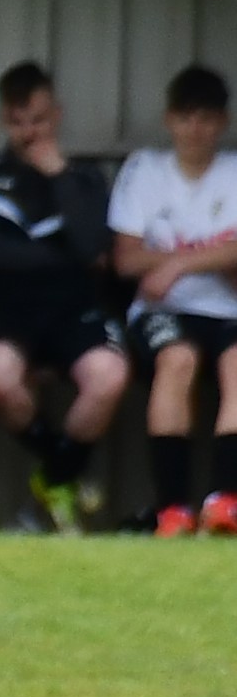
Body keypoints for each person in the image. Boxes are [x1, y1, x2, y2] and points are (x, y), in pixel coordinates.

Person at [0, 61, 133, 532]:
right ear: (4, 119)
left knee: (109, 377)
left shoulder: (85, 179)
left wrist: (57, 175)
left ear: (56, 115)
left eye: (38, 120)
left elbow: (93, 247)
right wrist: (59, 256)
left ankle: (54, 478)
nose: (29, 133)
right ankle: (64, 467)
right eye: (18, 122)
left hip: (75, 309)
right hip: (8, 309)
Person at [112, 63, 237, 536]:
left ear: (222, 122)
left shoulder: (234, 172)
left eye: (206, 118)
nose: (195, 129)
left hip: (227, 309)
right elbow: (126, 259)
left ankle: (225, 503)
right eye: (185, 118)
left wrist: (176, 264)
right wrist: (216, 256)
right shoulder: (145, 170)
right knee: (177, 359)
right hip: (161, 312)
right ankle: (173, 510)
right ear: (169, 120)